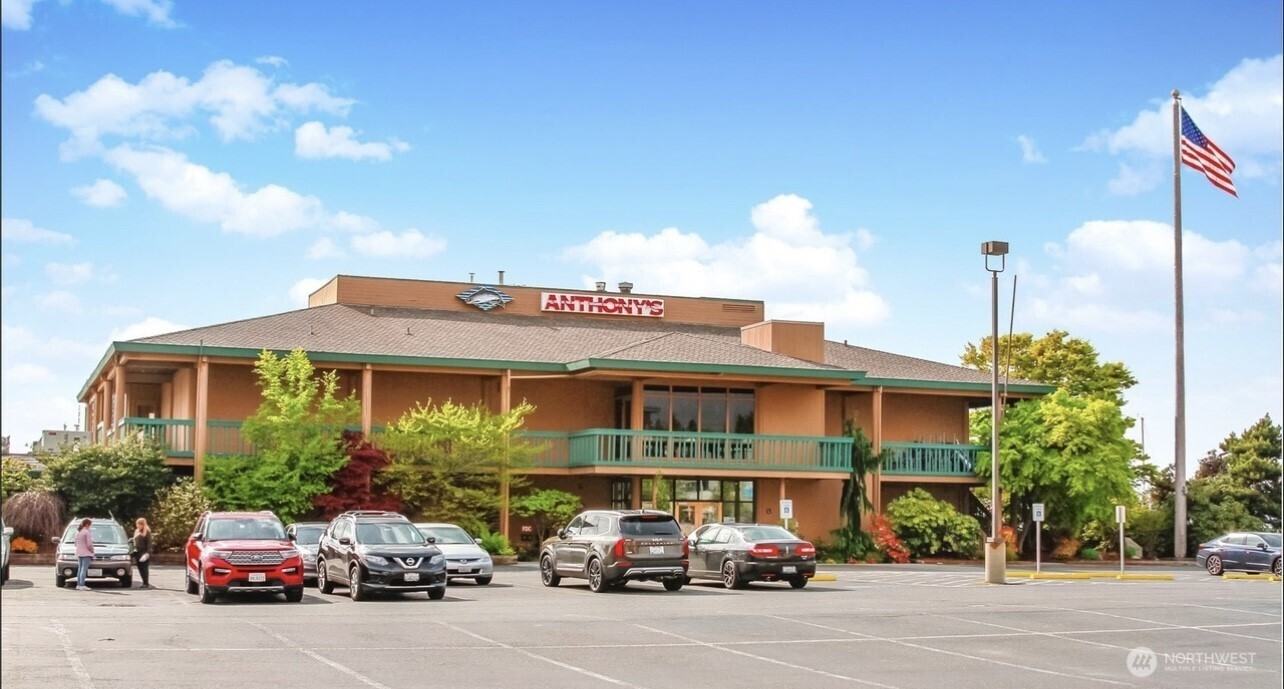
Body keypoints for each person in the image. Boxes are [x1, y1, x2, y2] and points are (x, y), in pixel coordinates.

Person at [131, 517, 153, 588]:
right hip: (137, 552)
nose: (138, 526)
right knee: (140, 568)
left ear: (143, 524)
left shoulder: (147, 532)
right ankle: (144, 581)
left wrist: (148, 553)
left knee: (144, 568)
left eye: (139, 524)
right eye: (137, 524)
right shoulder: (137, 531)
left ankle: (146, 582)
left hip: (144, 552)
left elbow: (149, 543)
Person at [73, 518, 94, 590]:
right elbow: (89, 544)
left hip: (79, 552)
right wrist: (92, 551)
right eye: (90, 525)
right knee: (84, 569)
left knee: (80, 569)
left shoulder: (78, 532)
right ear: (87, 524)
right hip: (86, 553)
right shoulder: (87, 532)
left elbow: (75, 543)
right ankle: (82, 585)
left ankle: (78, 584)